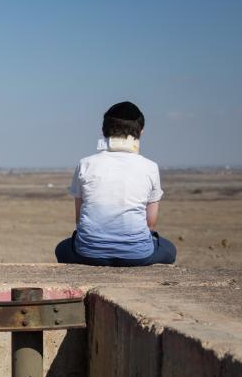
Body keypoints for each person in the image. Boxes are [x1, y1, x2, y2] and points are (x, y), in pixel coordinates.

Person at [55, 101, 177, 266]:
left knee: (61, 248)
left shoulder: (85, 164)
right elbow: (150, 223)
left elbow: (79, 218)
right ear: (141, 132)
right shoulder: (150, 167)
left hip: (88, 253)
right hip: (138, 255)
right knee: (170, 249)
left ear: (103, 131)